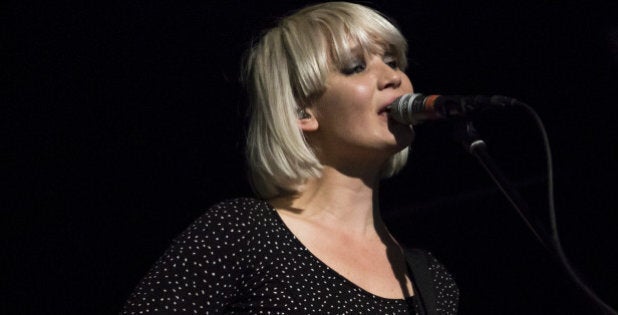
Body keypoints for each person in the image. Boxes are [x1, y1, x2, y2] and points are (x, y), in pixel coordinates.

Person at [122, 2, 458, 314]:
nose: (393, 77)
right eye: (356, 67)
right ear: (302, 112)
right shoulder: (242, 233)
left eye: (393, 61)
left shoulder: (430, 279)